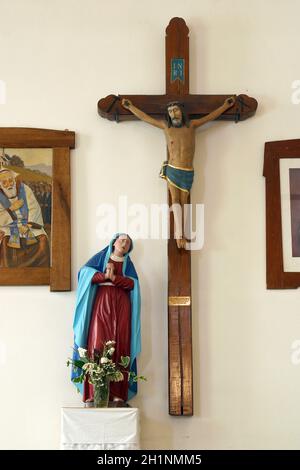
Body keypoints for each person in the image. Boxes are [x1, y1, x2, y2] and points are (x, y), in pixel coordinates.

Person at [122, 97, 236, 249]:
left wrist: (224, 106)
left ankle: (184, 234)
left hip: (187, 170)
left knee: (185, 200)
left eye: (175, 110)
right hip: (173, 168)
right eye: (170, 111)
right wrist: (130, 107)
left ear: (182, 111)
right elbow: (146, 118)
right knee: (175, 200)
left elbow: (210, 117)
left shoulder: (192, 126)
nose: (173, 114)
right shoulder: (166, 127)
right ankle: (179, 235)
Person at [72, 233, 141, 404]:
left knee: (120, 344)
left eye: (127, 242)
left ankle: (118, 394)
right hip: (102, 302)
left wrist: (115, 279)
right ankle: (93, 392)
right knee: (97, 342)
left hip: (122, 306)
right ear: (114, 241)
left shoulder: (128, 264)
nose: (124, 243)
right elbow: (84, 274)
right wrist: (104, 277)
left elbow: (133, 284)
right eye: (122, 240)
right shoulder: (101, 258)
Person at [0, 169, 50, 267]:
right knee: (6, 242)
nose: (9, 185)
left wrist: (27, 224)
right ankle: (10, 273)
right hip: (8, 226)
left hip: (28, 223)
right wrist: (11, 209)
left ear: (14, 180)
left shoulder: (25, 189)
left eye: (10, 180)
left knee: (43, 240)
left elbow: (34, 208)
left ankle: (42, 271)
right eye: (4, 182)